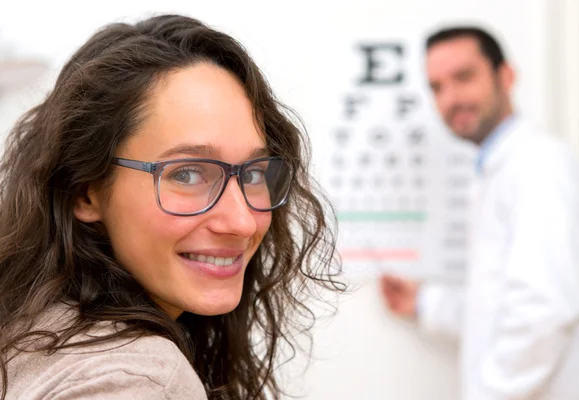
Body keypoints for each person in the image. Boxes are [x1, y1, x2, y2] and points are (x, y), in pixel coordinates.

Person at [0, 14, 342, 400]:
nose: (242, 222)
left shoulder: (32, 327)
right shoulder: (140, 380)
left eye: (252, 174)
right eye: (187, 175)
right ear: (84, 191)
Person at [380, 26, 579, 400]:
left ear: (506, 76)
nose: (450, 98)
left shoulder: (539, 166)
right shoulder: (497, 169)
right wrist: (423, 302)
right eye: (437, 87)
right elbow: (497, 305)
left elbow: (544, 309)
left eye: (464, 77)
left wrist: (492, 392)